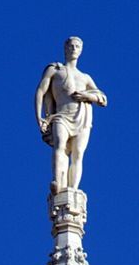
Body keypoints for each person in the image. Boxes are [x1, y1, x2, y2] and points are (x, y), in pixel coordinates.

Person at [35, 36, 108, 193]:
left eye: (77, 46)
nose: (74, 49)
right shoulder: (55, 70)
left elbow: (103, 99)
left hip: (82, 117)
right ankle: (57, 181)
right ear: (65, 48)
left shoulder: (85, 77)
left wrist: (88, 96)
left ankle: (73, 190)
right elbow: (40, 92)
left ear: (81, 51)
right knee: (60, 145)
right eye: (71, 46)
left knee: (78, 153)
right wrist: (39, 117)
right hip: (61, 115)